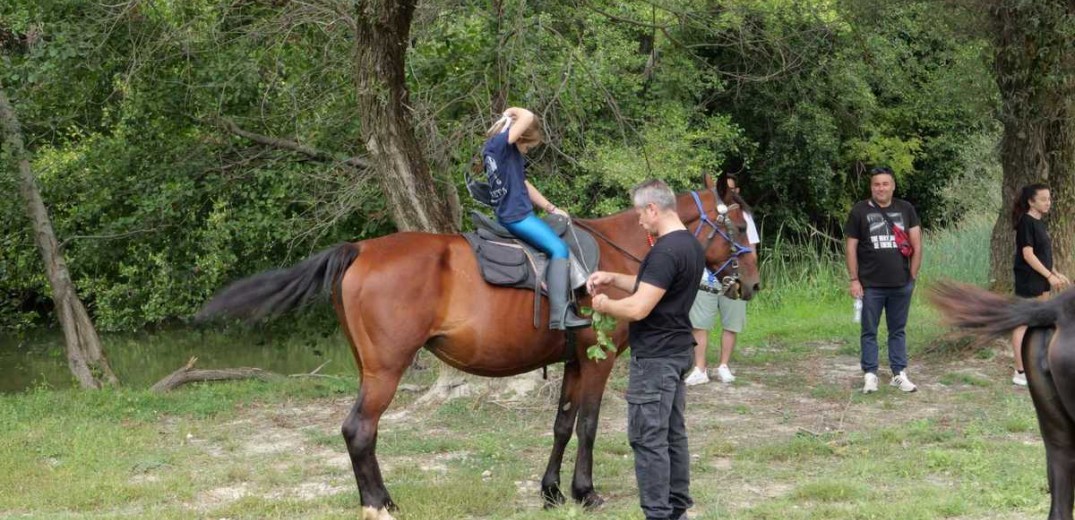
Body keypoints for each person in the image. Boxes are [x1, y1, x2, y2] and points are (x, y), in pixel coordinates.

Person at [587, 179, 705, 520]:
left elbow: (639, 308)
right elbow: (654, 287)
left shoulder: (665, 250)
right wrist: (613, 277)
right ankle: (677, 508)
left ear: (653, 208)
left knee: (648, 439)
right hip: (677, 351)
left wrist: (605, 304)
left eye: (640, 213)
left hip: (655, 358)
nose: (639, 220)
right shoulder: (689, 245)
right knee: (672, 436)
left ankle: (657, 514)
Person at [481, 107, 589, 330]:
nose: (527, 151)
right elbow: (528, 116)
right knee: (559, 249)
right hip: (517, 217)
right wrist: (513, 111)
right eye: (528, 146)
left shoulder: (503, 152)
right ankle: (560, 315)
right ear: (519, 136)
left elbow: (523, 184)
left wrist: (551, 208)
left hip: (515, 214)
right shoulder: (500, 145)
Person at [844, 166, 923, 394]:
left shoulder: (906, 209)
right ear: (871, 187)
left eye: (885, 184)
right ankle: (870, 375)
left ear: (893, 186)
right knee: (869, 330)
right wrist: (854, 279)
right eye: (876, 184)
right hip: (870, 285)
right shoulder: (859, 211)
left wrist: (913, 277)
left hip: (901, 283)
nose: (880, 188)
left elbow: (917, 244)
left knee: (897, 330)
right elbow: (851, 248)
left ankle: (899, 373)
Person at [684, 174, 760, 385]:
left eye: (733, 190)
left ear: (738, 191)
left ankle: (724, 366)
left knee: (731, 321)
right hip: (706, 276)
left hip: (734, 274)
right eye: (725, 190)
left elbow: (751, 249)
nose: (730, 194)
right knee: (699, 323)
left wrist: (749, 273)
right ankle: (700, 369)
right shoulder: (706, 217)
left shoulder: (743, 217)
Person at [1010, 183, 1070, 386]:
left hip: (1041, 278)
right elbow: (1028, 255)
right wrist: (1049, 276)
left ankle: (1038, 366)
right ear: (1031, 201)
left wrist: (1054, 273)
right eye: (1043, 199)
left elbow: (1042, 255)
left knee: (1040, 323)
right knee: (1023, 323)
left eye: (1049, 199)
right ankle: (1020, 371)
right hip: (1028, 279)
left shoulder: (1039, 223)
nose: (1048, 203)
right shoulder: (1026, 222)